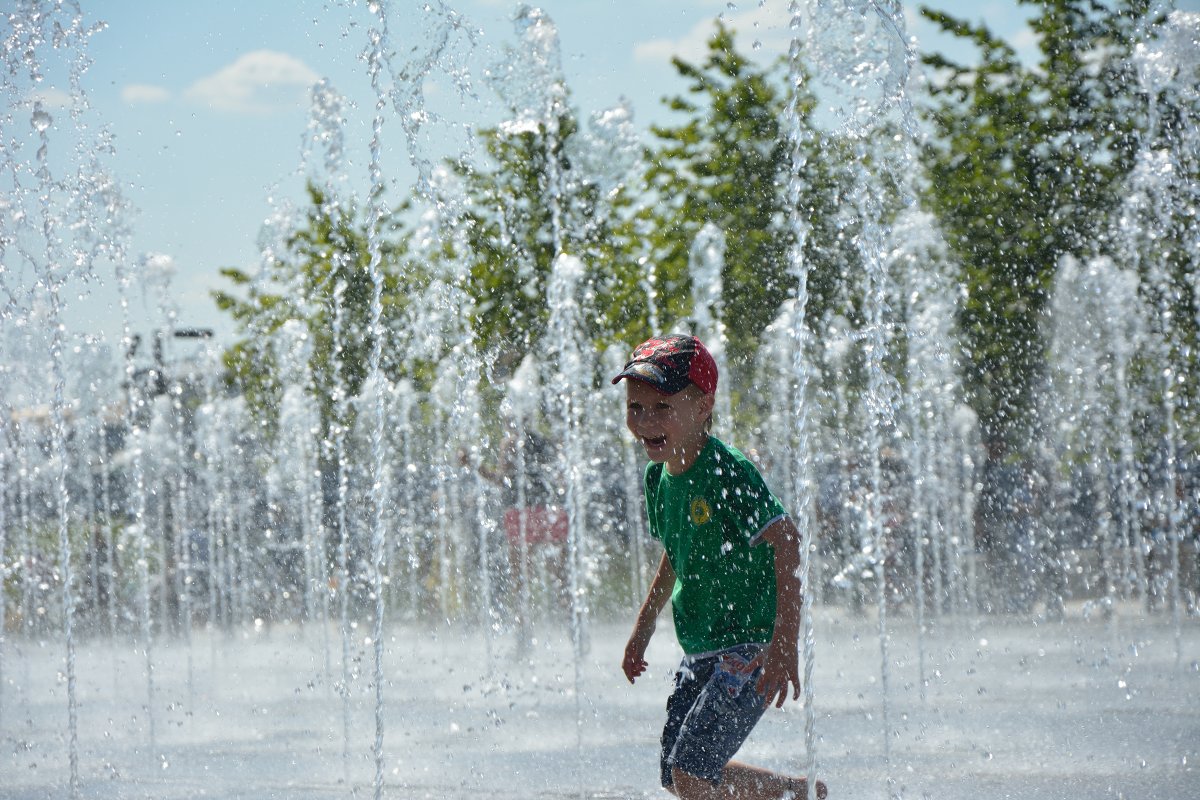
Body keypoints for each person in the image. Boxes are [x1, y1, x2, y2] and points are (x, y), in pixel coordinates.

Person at [613, 334, 828, 800]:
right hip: (702, 647)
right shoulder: (659, 477)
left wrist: (783, 642)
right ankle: (794, 793)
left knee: (691, 774)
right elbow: (675, 552)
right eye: (635, 407)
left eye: (661, 407)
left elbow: (787, 541)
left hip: (749, 647)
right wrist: (642, 629)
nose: (645, 421)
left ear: (702, 406)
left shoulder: (726, 470)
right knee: (677, 775)